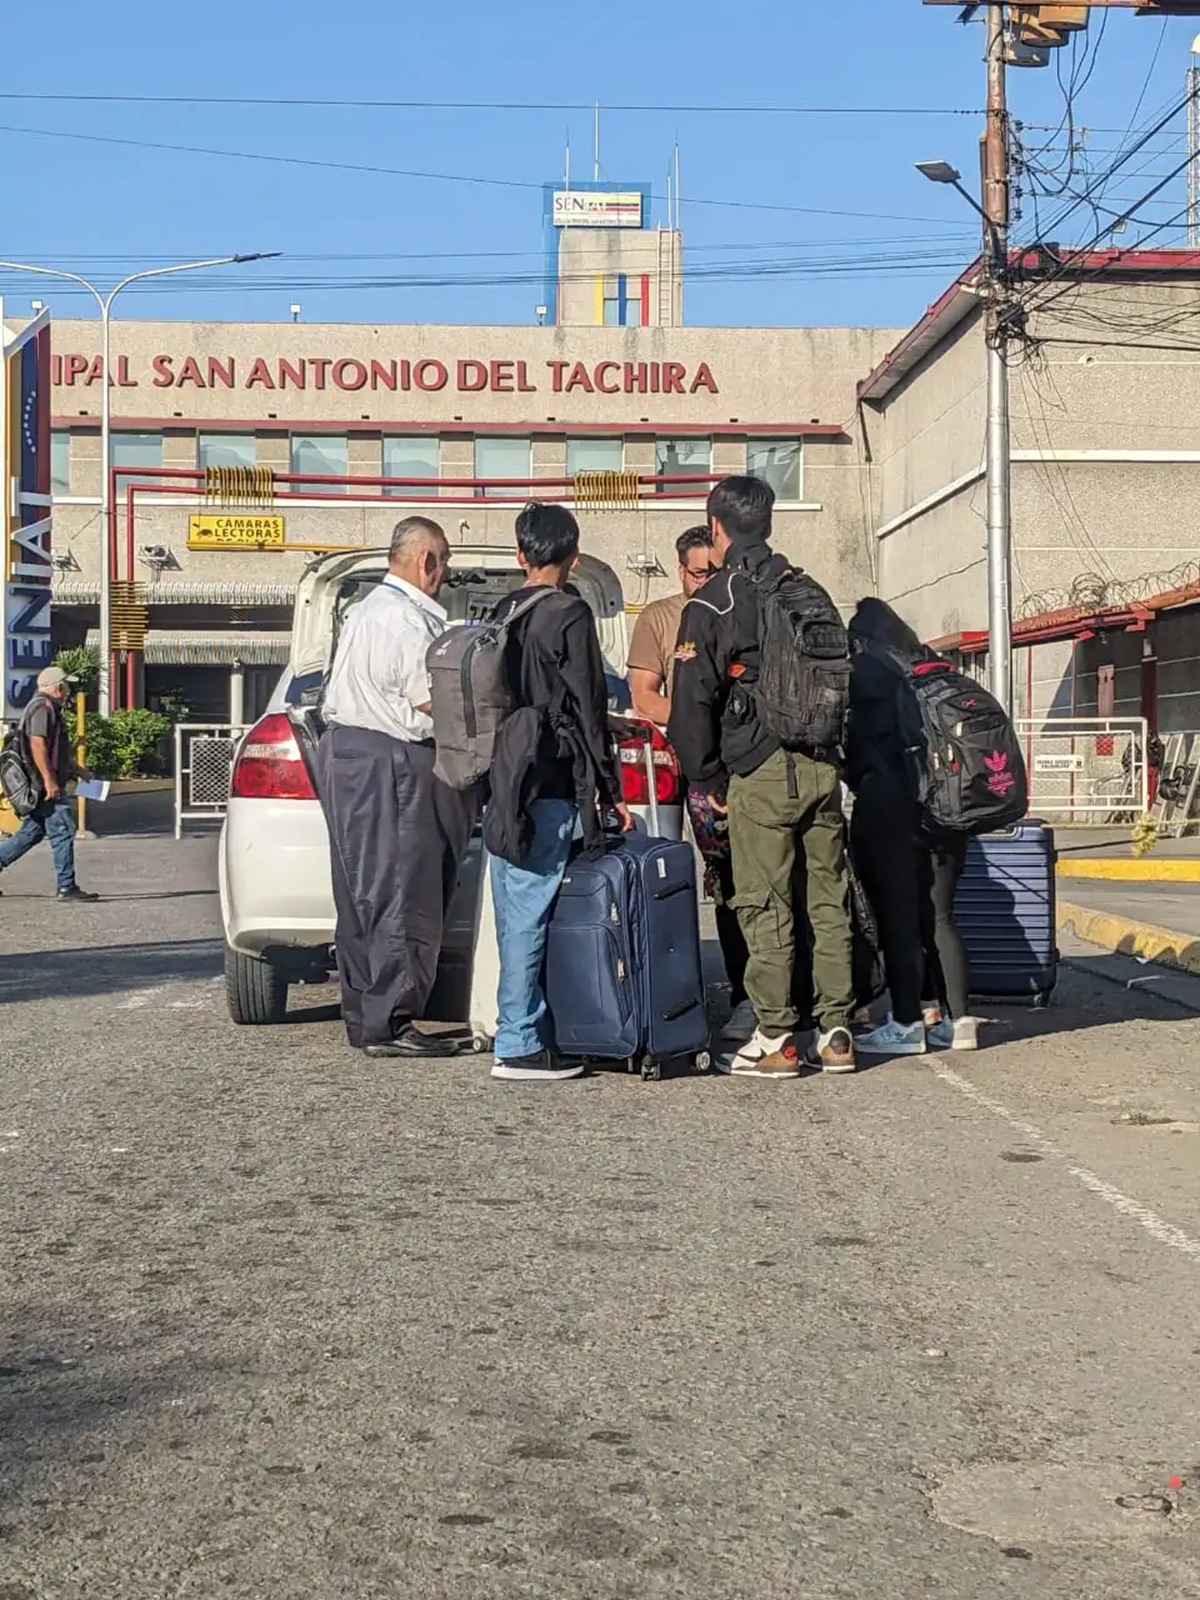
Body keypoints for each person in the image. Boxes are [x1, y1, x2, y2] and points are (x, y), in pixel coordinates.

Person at [667, 476, 856, 1079]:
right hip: (823, 763)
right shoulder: (810, 591)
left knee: (763, 900)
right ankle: (837, 1030)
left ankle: (775, 1035)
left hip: (760, 769)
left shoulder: (715, 599)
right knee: (827, 899)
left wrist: (708, 776)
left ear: (715, 528)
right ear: (768, 525)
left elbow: (691, 701)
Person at [318, 516, 476, 1060]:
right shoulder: (407, 620)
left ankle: (368, 1015)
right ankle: (394, 1020)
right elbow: (432, 700)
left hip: (350, 753)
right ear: (426, 560)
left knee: (362, 890)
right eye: (445, 562)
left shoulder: (366, 610)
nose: (446, 573)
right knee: (403, 890)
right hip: (393, 758)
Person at [485, 502, 632, 1083]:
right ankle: (519, 1041)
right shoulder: (569, 612)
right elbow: (588, 705)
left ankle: (521, 1027)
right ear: (572, 556)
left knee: (513, 910)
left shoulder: (504, 610)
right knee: (532, 907)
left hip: (506, 777)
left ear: (521, 555)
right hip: (550, 777)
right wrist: (610, 788)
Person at [626, 525, 752, 1041]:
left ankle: (746, 994)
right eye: (700, 572)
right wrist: (691, 721)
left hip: (731, 760)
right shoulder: (659, 617)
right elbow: (643, 694)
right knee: (663, 873)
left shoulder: (735, 610)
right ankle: (666, 991)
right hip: (673, 764)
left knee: (732, 879)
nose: (707, 581)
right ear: (681, 571)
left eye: (715, 572)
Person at [844, 597, 975, 1054]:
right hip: (948, 805)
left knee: (898, 916)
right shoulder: (935, 666)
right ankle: (959, 1022)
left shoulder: (869, 671)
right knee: (939, 915)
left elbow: (856, 745)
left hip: (891, 802)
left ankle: (905, 1023)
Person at [0, 666, 97, 902]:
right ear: (58, 687)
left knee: (30, 834)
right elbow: (38, 745)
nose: (68, 692)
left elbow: (54, 751)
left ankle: (66, 884)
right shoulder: (43, 708)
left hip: (43, 782)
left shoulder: (45, 707)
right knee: (63, 830)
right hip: (43, 785)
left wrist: (79, 771)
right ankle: (67, 886)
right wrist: (49, 781)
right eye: (66, 687)